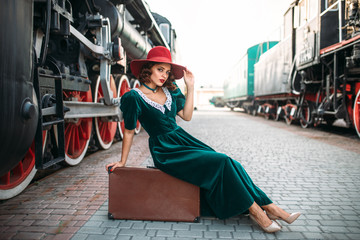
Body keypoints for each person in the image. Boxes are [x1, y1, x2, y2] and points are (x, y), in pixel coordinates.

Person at [106, 46, 301, 233]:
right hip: (165, 151)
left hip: (184, 140)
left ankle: (271, 207)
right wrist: (123, 162)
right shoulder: (134, 97)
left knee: (232, 164)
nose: (164, 75)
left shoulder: (170, 91)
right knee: (222, 161)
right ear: (147, 70)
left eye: (167, 71)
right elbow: (129, 131)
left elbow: (187, 116)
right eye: (160, 69)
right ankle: (258, 213)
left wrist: (191, 88)